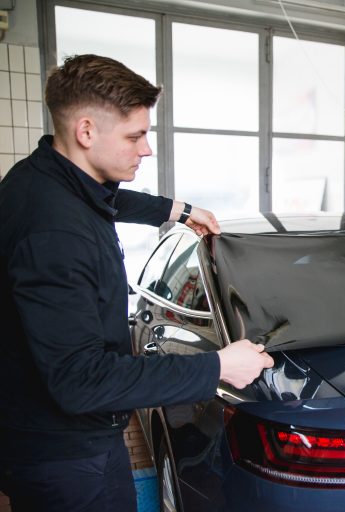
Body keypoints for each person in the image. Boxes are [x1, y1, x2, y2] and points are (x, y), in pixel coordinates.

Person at [0, 54, 274, 511]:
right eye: (135, 136)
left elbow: (102, 198)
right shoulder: (54, 234)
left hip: (48, 435)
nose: (146, 149)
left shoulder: (40, 179)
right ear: (86, 131)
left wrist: (178, 211)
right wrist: (218, 367)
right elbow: (80, 380)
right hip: (66, 457)